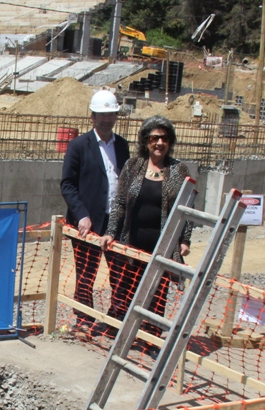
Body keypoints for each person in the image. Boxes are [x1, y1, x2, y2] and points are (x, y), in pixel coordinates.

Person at [101, 115, 191, 339]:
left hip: (162, 246)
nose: (159, 143)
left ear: (170, 142)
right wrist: (111, 232)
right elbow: (120, 203)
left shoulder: (179, 171)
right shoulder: (133, 166)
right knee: (125, 290)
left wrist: (185, 241)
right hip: (132, 243)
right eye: (154, 138)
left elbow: (187, 208)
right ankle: (122, 335)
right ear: (145, 141)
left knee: (157, 294)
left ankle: (150, 338)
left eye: (164, 138)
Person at [59, 90, 129, 337]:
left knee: (120, 274)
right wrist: (82, 215)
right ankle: (83, 319)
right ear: (93, 116)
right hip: (88, 222)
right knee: (86, 273)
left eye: (111, 115)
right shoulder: (79, 146)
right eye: (102, 115)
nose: (107, 120)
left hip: (115, 221)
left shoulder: (122, 146)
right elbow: (67, 184)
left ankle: (115, 319)